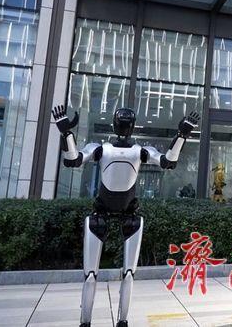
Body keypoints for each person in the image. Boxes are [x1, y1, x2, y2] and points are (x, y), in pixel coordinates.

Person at [52, 105, 199, 327]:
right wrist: (66, 134)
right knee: (96, 274)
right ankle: (91, 321)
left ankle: (116, 321)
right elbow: (73, 160)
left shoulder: (124, 150)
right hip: (104, 212)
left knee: (123, 273)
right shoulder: (110, 149)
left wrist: (181, 136)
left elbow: (167, 162)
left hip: (126, 212)